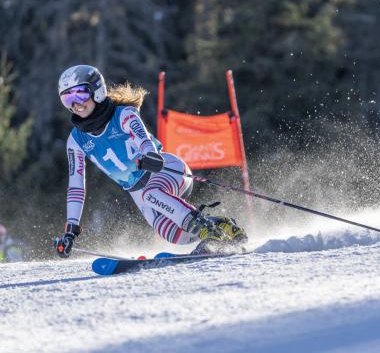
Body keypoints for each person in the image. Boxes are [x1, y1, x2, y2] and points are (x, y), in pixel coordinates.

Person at [53, 65, 247, 258]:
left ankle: (211, 234)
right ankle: (223, 226)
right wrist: (71, 229)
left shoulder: (123, 114)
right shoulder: (76, 140)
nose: (76, 103)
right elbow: (76, 185)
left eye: (80, 94)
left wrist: (149, 154)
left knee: (150, 193)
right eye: (67, 98)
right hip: (137, 190)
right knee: (173, 234)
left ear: (97, 90)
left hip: (163, 170)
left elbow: (142, 138)